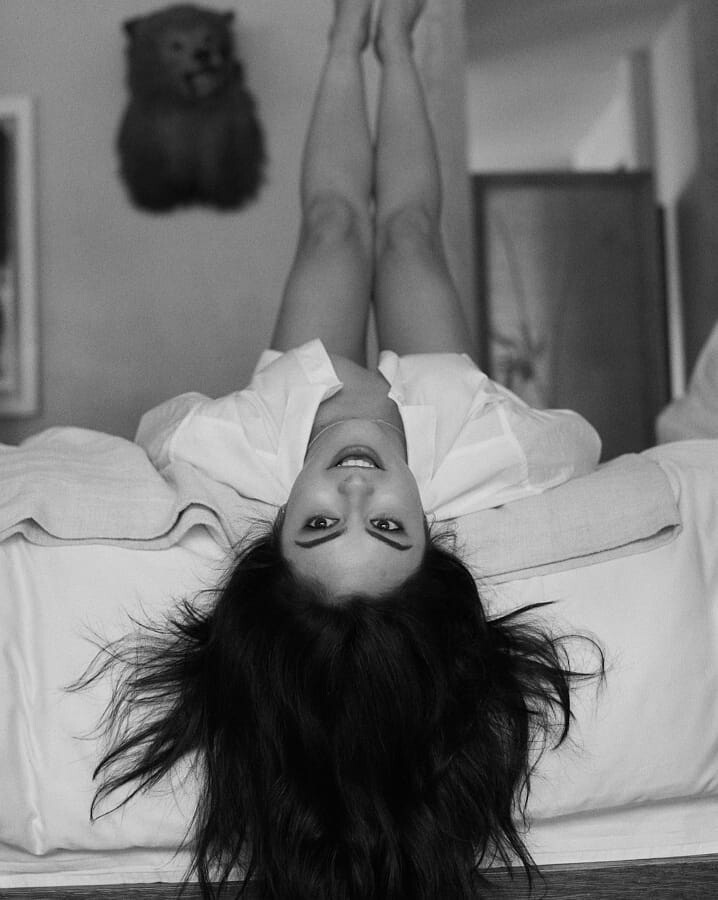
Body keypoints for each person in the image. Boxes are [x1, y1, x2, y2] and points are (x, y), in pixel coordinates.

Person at [82, 1, 604, 897]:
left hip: (301, 397)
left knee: (332, 225)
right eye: (391, 528)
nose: (357, 490)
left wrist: (225, 474)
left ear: (276, 526)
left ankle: (342, 38)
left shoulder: (247, 454)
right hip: (433, 399)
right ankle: (396, 44)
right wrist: (501, 442)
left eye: (321, 524)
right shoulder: (481, 454)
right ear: (432, 536)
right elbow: (579, 446)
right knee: (408, 232)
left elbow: (159, 431)